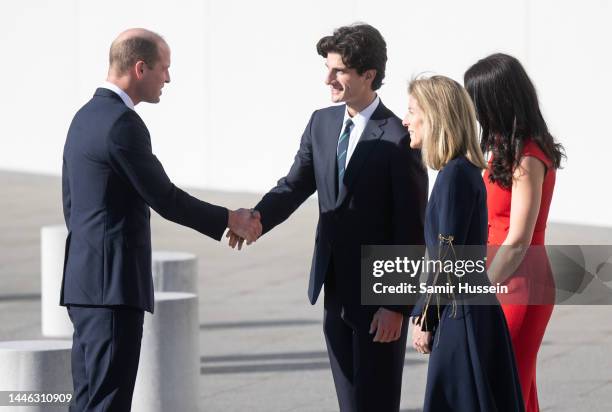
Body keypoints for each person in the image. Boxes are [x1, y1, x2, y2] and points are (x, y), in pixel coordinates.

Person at [228, 23, 428, 411]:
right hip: (333, 288)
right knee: (349, 401)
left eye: (338, 71)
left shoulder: (399, 137)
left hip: (379, 296)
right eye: (327, 67)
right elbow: (293, 186)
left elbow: (411, 225)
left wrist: (397, 305)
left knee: (377, 402)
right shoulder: (322, 123)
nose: (327, 79)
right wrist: (256, 219)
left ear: (368, 75)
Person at [61, 28, 261, 411]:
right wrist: (229, 219)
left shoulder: (84, 117)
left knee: (87, 400)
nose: (167, 78)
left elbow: (71, 204)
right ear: (140, 68)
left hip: (84, 285)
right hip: (112, 290)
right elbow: (164, 198)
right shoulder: (122, 124)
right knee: (108, 402)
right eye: (164, 68)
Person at [406, 75, 524, 412]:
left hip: (462, 317)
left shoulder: (454, 174)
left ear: (433, 116)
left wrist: (426, 319)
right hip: (468, 311)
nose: (406, 119)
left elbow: (448, 255)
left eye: (412, 110)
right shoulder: (458, 171)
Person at [464, 53, 565, 412]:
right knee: (518, 391)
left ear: (498, 100)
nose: (474, 110)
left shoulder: (527, 156)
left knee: (504, 393)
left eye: (478, 100)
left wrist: (477, 289)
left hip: (519, 285)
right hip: (503, 279)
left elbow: (519, 238)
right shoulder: (504, 150)